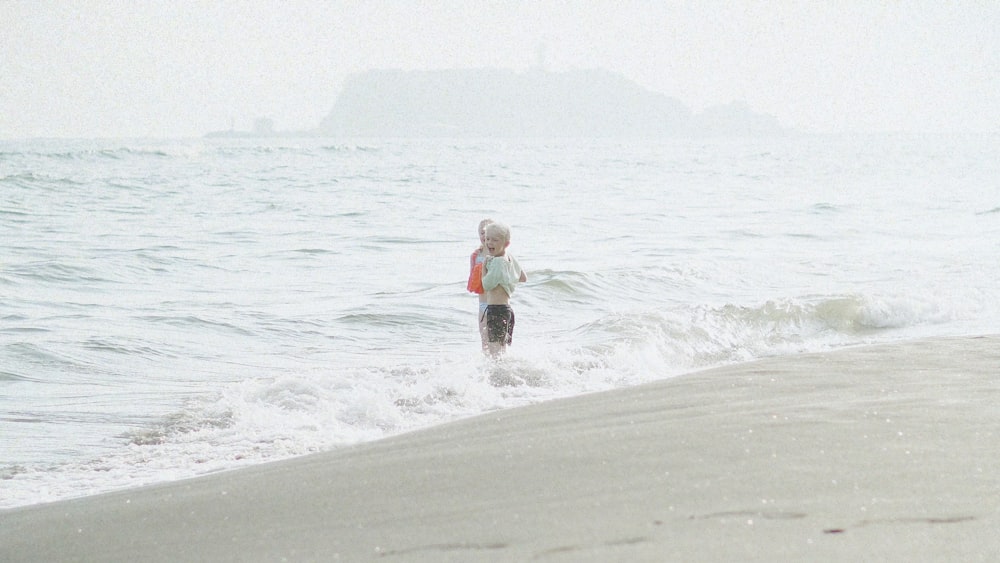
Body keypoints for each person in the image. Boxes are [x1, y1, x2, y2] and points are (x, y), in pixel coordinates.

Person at [480, 221, 527, 357]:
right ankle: (505, 376)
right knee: (501, 351)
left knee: (495, 353)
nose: (489, 243)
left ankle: (499, 377)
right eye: (487, 239)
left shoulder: (498, 262)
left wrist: (484, 268)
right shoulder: (509, 258)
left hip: (496, 311)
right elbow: (523, 277)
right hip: (507, 310)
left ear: (506, 243)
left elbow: (486, 285)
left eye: (495, 240)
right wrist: (505, 279)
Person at [467, 218, 493, 351]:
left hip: (497, 304)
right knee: (485, 343)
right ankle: (488, 370)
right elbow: (472, 282)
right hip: (482, 305)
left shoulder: (498, 253)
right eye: (481, 233)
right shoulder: (475, 256)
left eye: (486, 232)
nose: (483, 236)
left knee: (498, 342)